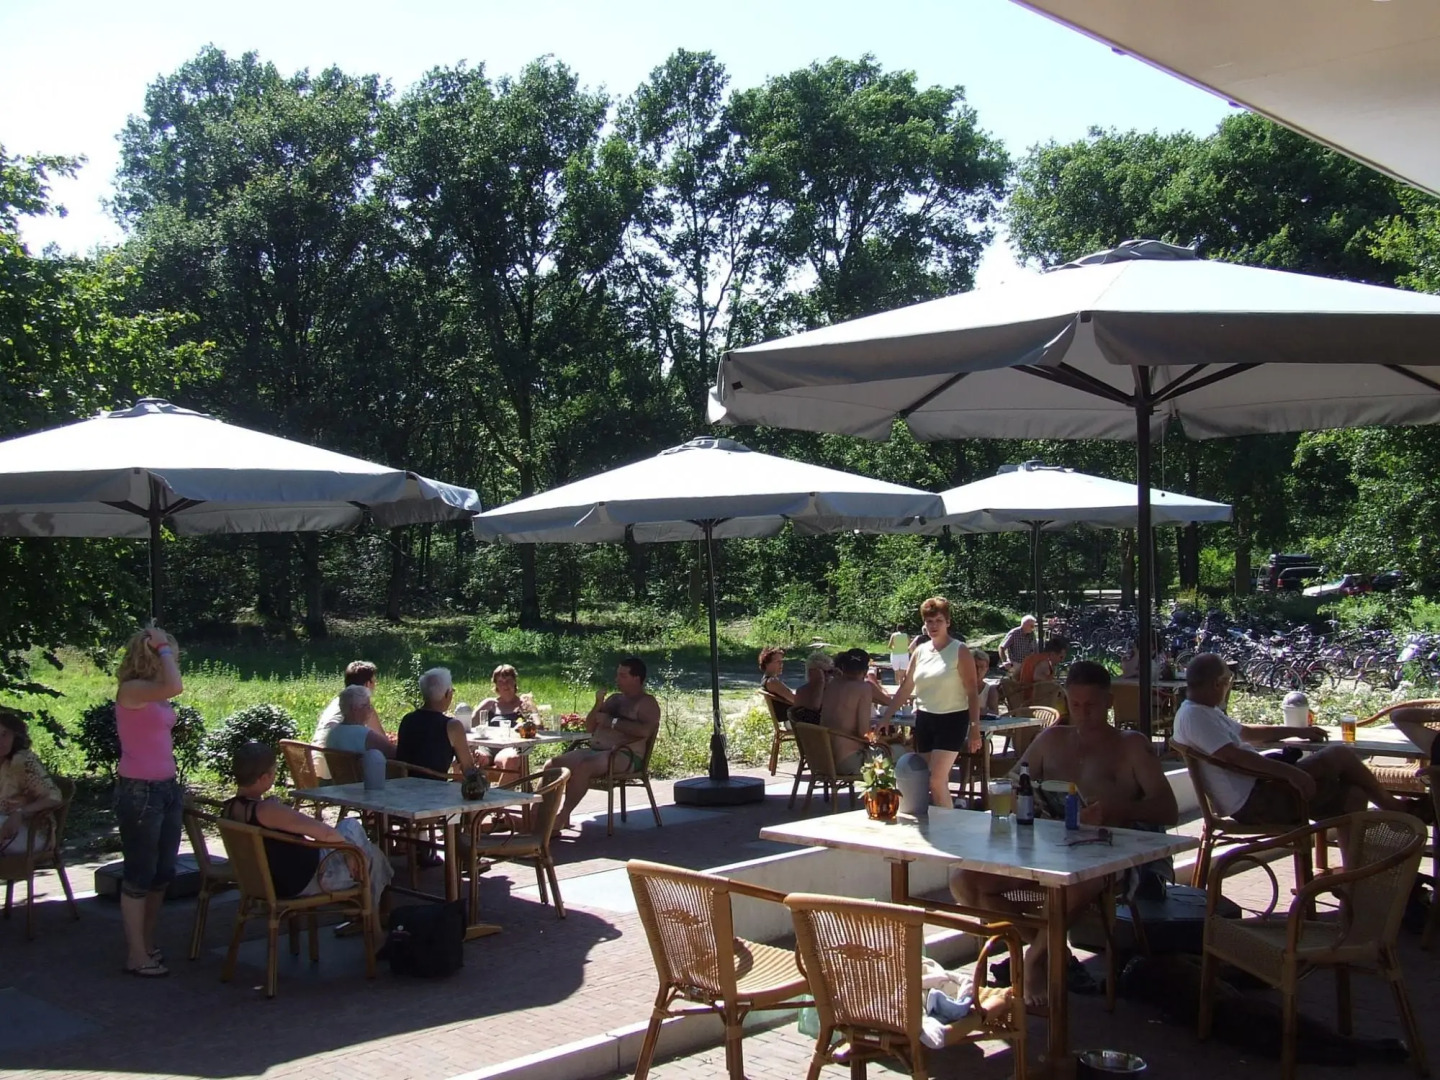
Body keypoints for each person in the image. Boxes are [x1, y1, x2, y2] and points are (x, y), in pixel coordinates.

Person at [950, 661, 1179, 1006]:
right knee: (966, 880)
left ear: (1109, 703)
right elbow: (1012, 786)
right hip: (1051, 849)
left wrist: (1117, 811)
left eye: (1092, 706)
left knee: (1074, 878)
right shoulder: (1052, 739)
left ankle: (1036, 959)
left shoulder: (1131, 745)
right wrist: (1019, 801)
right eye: (1075, 705)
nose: (1083, 714)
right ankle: (1054, 953)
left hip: (1116, 855)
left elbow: (1168, 810)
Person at [1174, 653, 1404, 824]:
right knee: (1339, 755)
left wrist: (1296, 731)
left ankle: (1353, 875)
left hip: (1262, 791)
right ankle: (1393, 807)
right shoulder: (1195, 716)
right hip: (1255, 802)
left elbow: (1247, 732)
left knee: (1353, 795)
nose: (1228, 687)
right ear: (1217, 684)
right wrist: (1291, 773)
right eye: (1228, 681)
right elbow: (1235, 757)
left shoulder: (1205, 711)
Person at [224, 742, 393, 916]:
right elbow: (324, 832)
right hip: (309, 879)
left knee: (357, 838)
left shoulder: (230, 809)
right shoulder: (267, 810)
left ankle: (366, 916)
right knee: (370, 852)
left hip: (268, 882)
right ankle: (372, 920)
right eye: (273, 771)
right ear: (264, 777)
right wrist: (350, 852)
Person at [113, 625, 185, 977]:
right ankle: (135, 954)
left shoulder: (155, 695)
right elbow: (176, 685)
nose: (173, 658)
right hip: (140, 790)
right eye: (166, 653)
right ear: (152, 655)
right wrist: (163, 649)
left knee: (162, 874)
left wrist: (165, 652)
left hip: (166, 787)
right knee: (139, 874)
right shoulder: (132, 690)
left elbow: (171, 689)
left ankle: (146, 942)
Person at [881, 597, 983, 808]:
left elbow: (972, 692)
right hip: (925, 719)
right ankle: (939, 826)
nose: (933, 626)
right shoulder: (919, 651)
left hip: (953, 719)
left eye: (938, 620)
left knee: (936, 781)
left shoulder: (959, 650)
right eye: (929, 622)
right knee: (930, 780)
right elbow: (906, 688)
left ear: (947, 622)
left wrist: (975, 728)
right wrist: (886, 717)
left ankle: (948, 831)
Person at [552, 658, 660, 833]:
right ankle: (537, 816)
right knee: (554, 764)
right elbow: (589, 727)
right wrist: (598, 703)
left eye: (623, 675)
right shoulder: (615, 699)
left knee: (585, 767)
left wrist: (612, 722)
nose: (617, 679)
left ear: (637, 678)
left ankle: (561, 818)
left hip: (626, 754)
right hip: (597, 749)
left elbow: (645, 732)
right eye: (617, 674)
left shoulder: (647, 703)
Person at [395, 667, 481, 779]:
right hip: (436, 790)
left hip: (405, 787)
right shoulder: (452, 726)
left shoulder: (407, 720)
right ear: (447, 694)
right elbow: (468, 769)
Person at [0, 709, 63, 857]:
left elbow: (54, 797)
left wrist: (20, 813)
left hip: (32, 833)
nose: (0, 741)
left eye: (5, 734)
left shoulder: (23, 761)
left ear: (15, 736)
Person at [314, 661, 381, 780]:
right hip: (337, 778)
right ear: (367, 684)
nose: (375, 685)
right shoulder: (363, 708)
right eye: (374, 681)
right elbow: (381, 741)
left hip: (315, 771)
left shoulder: (338, 703)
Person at [819, 650, 877, 774]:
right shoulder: (863, 688)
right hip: (848, 761)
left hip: (822, 759)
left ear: (843, 667)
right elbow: (864, 733)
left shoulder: (831, 684)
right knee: (901, 752)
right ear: (866, 671)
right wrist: (884, 739)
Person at [471, 665, 527, 779]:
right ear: (495, 684)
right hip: (488, 747)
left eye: (508, 681)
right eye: (500, 681)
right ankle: (467, 793)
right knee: (465, 759)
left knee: (510, 759)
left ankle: (502, 796)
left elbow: (539, 726)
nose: (505, 685)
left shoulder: (523, 704)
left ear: (515, 682)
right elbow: (469, 725)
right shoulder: (490, 704)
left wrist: (532, 711)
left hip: (511, 746)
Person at [320, 685, 395, 759]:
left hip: (338, 771)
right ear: (355, 709)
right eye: (368, 706)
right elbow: (394, 753)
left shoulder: (332, 734)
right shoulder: (366, 735)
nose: (371, 710)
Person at [1018, 637, 1068, 704]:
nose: (1062, 660)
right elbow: (1037, 676)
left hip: (1022, 697)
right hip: (1034, 701)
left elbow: (1016, 674)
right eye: (1060, 657)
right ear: (1052, 654)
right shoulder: (1045, 662)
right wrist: (1056, 684)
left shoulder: (1032, 658)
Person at [789, 652, 832, 722]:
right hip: (814, 730)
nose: (827, 676)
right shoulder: (802, 692)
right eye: (823, 672)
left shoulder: (833, 689)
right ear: (811, 672)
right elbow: (814, 708)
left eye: (830, 671)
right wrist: (820, 683)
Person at [972, 650, 1002, 717]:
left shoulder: (990, 690)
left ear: (987, 668)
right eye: (975, 667)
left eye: (982, 667)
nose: (978, 671)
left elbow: (994, 713)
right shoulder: (959, 688)